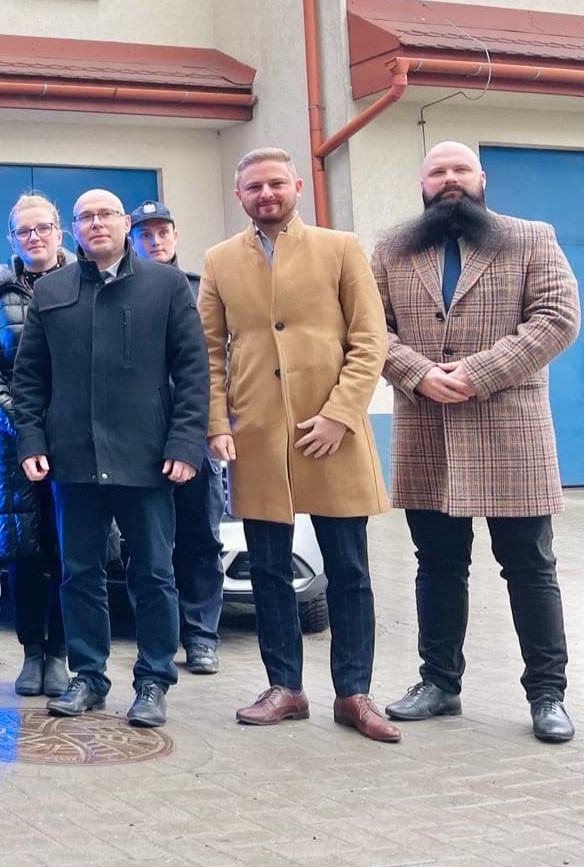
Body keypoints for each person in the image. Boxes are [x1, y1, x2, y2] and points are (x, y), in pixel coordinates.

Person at [373, 142, 579, 744]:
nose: (450, 179)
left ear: (481, 178)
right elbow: (368, 327)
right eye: (437, 171)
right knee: (436, 565)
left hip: (511, 430)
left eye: (460, 169)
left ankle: (547, 694)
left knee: (530, 567)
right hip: (427, 429)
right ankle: (439, 683)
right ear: (422, 184)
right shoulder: (391, 247)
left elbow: (557, 317)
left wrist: (476, 373)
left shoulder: (530, 238)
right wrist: (417, 373)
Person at [198, 147, 399, 742]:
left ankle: (354, 693)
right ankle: (284, 687)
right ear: (239, 195)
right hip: (256, 435)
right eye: (254, 186)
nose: (266, 194)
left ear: (296, 188)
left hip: (332, 433)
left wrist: (341, 414)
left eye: (276, 184)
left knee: (349, 571)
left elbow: (370, 338)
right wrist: (216, 423)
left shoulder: (341, 249)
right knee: (267, 570)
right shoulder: (219, 260)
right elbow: (208, 352)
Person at [10, 188, 206, 728]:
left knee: (154, 575)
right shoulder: (51, 291)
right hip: (73, 459)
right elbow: (30, 377)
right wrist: (32, 441)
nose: (96, 223)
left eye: (106, 215)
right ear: (73, 229)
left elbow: (193, 370)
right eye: (85, 217)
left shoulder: (166, 285)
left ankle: (153, 681)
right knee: (79, 574)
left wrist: (185, 442)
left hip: (147, 458)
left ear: (124, 223)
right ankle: (89, 676)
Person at [0, 192, 70, 697]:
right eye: (24, 231)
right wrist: (23, 422)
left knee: (69, 547)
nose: (34, 237)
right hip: (12, 443)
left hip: (73, 438)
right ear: (11, 238)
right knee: (23, 550)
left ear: (60, 231)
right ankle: (33, 652)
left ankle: (61, 653)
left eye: (43, 227)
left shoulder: (85, 283)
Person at [129, 199, 227, 675]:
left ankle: (201, 635)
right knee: (147, 544)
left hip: (193, 433)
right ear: (132, 240)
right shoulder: (119, 290)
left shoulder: (200, 291)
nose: (155, 241)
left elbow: (219, 359)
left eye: (162, 232)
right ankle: (157, 637)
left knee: (200, 538)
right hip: (140, 438)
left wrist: (216, 425)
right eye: (144, 235)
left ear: (175, 235)